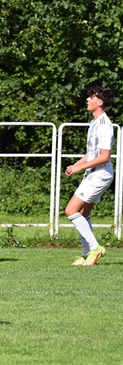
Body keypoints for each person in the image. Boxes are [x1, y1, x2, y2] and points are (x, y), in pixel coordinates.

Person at [64, 86, 114, 266]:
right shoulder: (94, 123)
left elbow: (104, 156)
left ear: (99, 102)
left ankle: (95, 248)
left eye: (91, 97)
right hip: (93, 174)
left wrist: (79, 169)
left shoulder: (105, 125)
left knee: (71, 210)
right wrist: (76, 165)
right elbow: (92, 153)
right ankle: (87, 254)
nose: (87, 100)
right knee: (83, 213)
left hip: (100, 175)